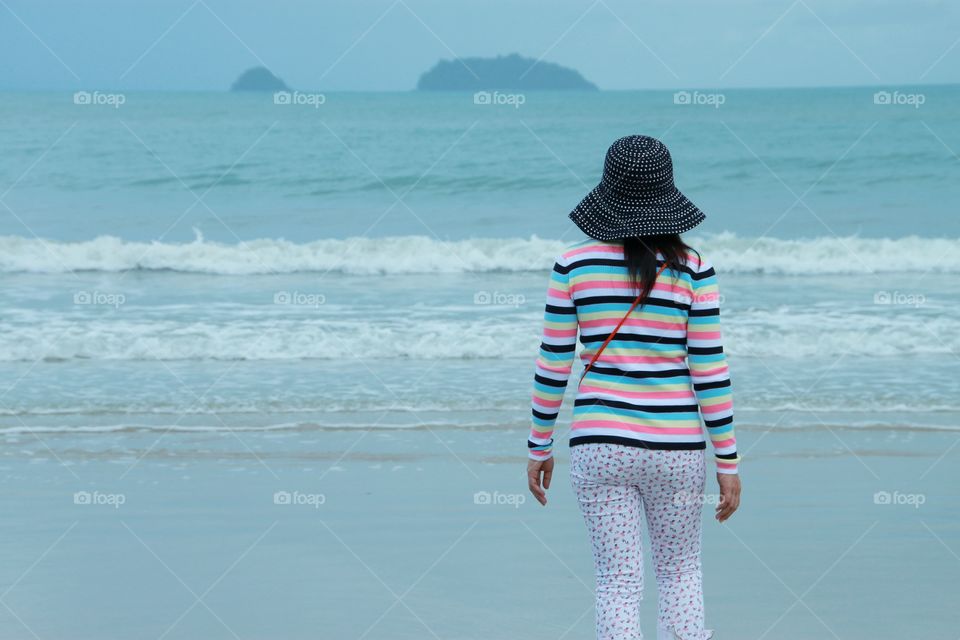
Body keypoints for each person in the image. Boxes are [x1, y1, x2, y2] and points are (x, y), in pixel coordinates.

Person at [526, 135, 741, 640]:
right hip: (678, 449)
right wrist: (728, 461)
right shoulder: (694, 268)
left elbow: (553, 362)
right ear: (666, 191)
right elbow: (709, 368)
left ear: (609, 191)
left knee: (617, 582)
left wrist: (539, 445)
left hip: (599, 444)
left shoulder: (573, 265)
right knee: (680, 574)